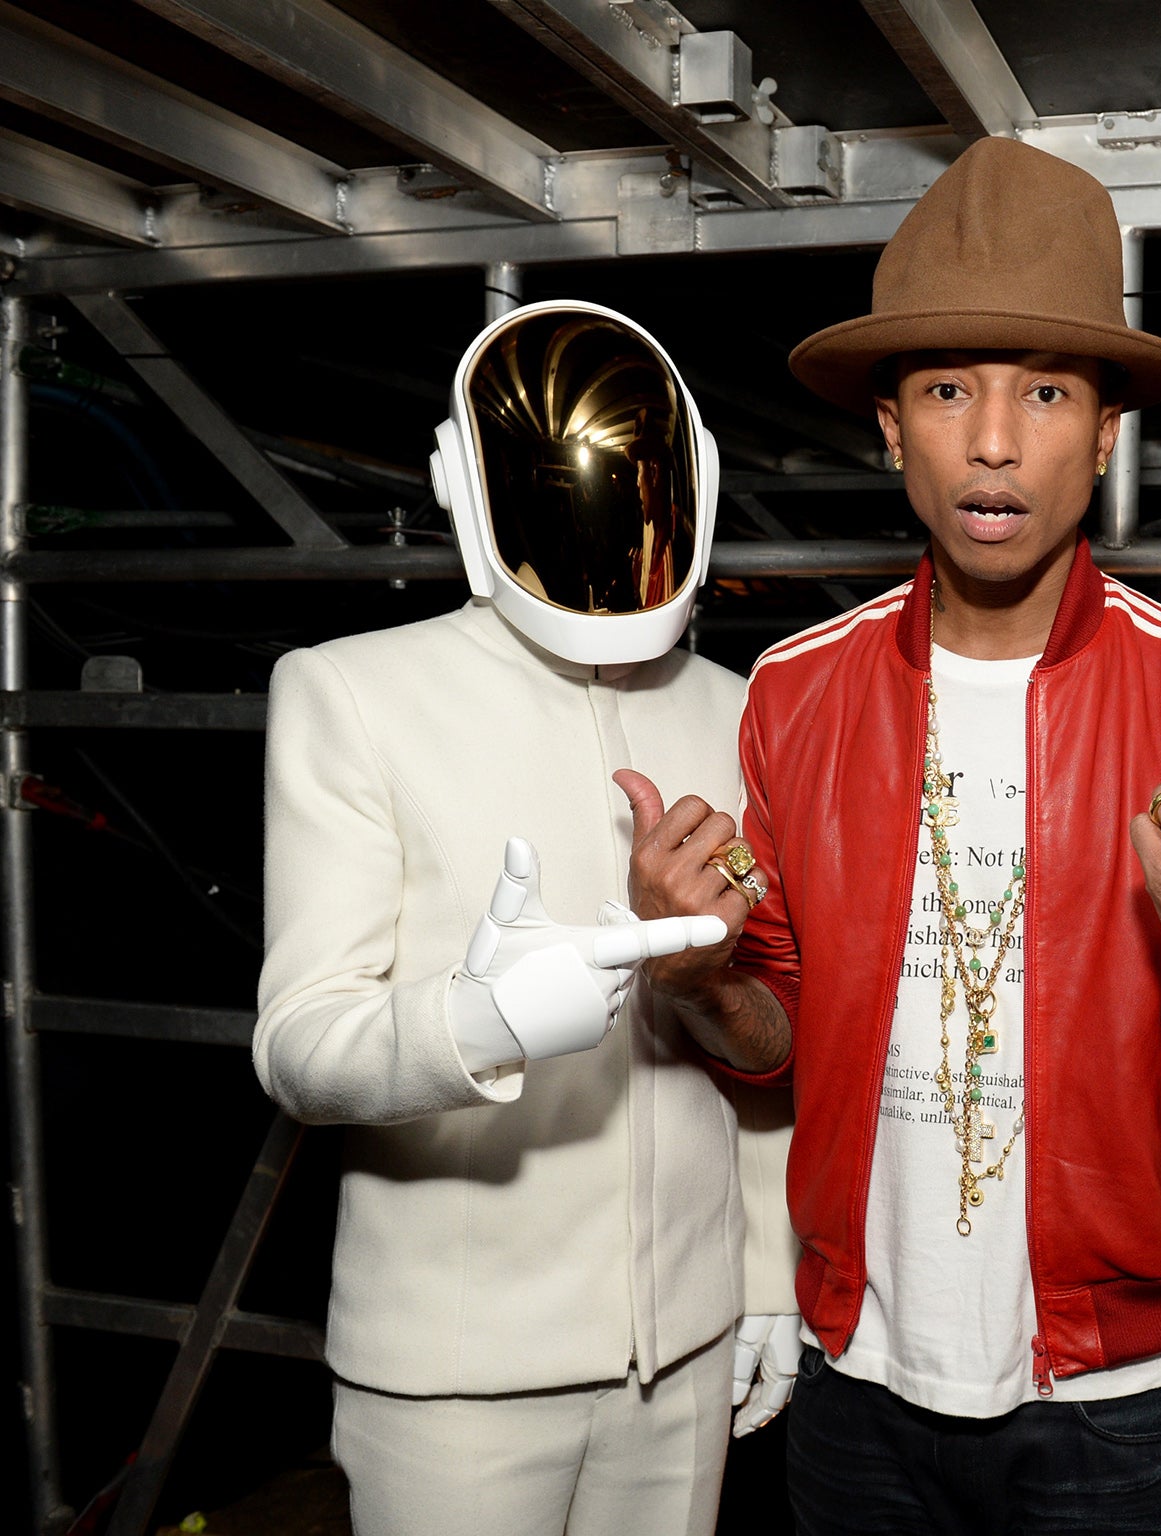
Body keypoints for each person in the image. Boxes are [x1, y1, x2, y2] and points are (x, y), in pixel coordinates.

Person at [615, 137, 1161, 1534]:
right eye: (948, 390)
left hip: (1118, 1390)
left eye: (1046, 393)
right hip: (855, 1375)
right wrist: (692, 974)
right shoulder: (797, 693)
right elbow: (777, 1058)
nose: (994, 441)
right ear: (890, 425)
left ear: (1108, 431)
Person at [255, 300, 799, 1536]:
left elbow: (764, 1022)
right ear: (464, 486)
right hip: (454, 1376)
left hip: (689, 1344)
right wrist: (480, 1021)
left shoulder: (738, 707)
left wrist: (762, 1271)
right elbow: (297, 1046)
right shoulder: (355, 694)